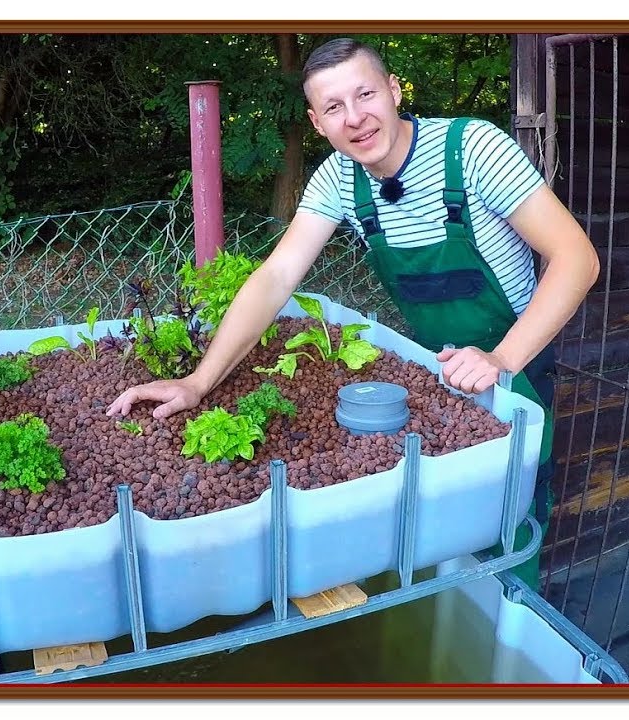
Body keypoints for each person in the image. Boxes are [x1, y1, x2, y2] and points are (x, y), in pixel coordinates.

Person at [107, 38, 600, 592]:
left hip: (517, 361)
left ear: (393, 91)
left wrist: (501, 358)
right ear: (318, 124)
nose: (356, 118)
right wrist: (200, 382)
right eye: (334, 107)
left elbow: (577, 259)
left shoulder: (473, 150)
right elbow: (275, 278)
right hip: (439, 367)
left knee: (512, 508)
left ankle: (514, 623)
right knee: (448, 510)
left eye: (365, 94)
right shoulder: (340, 180)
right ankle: (452, 601)